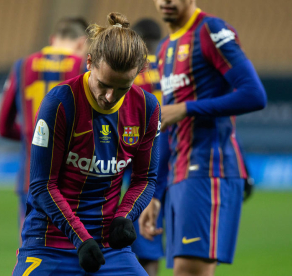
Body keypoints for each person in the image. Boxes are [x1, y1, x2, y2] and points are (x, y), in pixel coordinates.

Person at [11, 12, 161, 275]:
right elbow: (41, 184)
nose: (110, 96)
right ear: (89, 62)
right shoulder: (60, 102)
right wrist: (80, 238)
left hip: (108, 248)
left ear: (139, 73)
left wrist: (124, 217)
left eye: (123, 88)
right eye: (103, 84)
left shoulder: (147, 108)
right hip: (50, 242)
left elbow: (145, 177)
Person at [140, 0, 267, 275]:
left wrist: (187, 108)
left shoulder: (210, 30)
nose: (167, 1)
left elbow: (254, 94)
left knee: (190, 271)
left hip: (209, 168)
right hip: (179, 174)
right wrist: (155, 191)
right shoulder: (164, 48)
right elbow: (167, 124)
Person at [0, 17, 88, 237]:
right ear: (81, 43)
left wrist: (37, 138)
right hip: (74, 176)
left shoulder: (22, 66)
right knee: (76, 251)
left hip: (31, 174)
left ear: (52, 39)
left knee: (32, 250)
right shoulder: (82, 66)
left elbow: (3, 127)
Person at [128, 18, 164, 276]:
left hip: (140, 162)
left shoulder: (131, 71)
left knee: (143, 242)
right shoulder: (171, 68)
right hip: (177, 160)